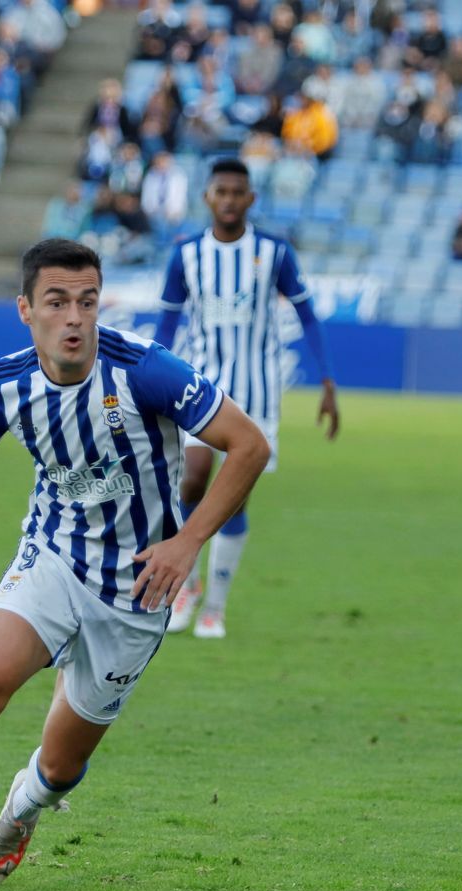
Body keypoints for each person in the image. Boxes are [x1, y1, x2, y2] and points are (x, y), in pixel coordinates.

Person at [0, 239, 271, 891]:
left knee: (62, 766)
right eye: (58, 302)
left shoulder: (146, 370)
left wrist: (188, 542)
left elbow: (249, 445)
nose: (75, 317)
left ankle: (23, 807)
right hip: (52, 559)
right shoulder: (5, 385)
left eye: (87, 301)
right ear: (26, 309)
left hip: (137, 589)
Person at [151, 159, 339, 639]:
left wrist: (327, 381)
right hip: (199, 387)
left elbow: (308, 315)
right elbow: (168, 322)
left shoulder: (274, 252)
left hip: (256, 392)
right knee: (191, 481)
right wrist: (148, 379)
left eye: (238, 192)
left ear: (251, 199)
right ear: (208, 197)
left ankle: (214, 606)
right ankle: (186, 588)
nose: (230, 200)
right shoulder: (187, 253)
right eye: (222, 192)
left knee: (234, 501)